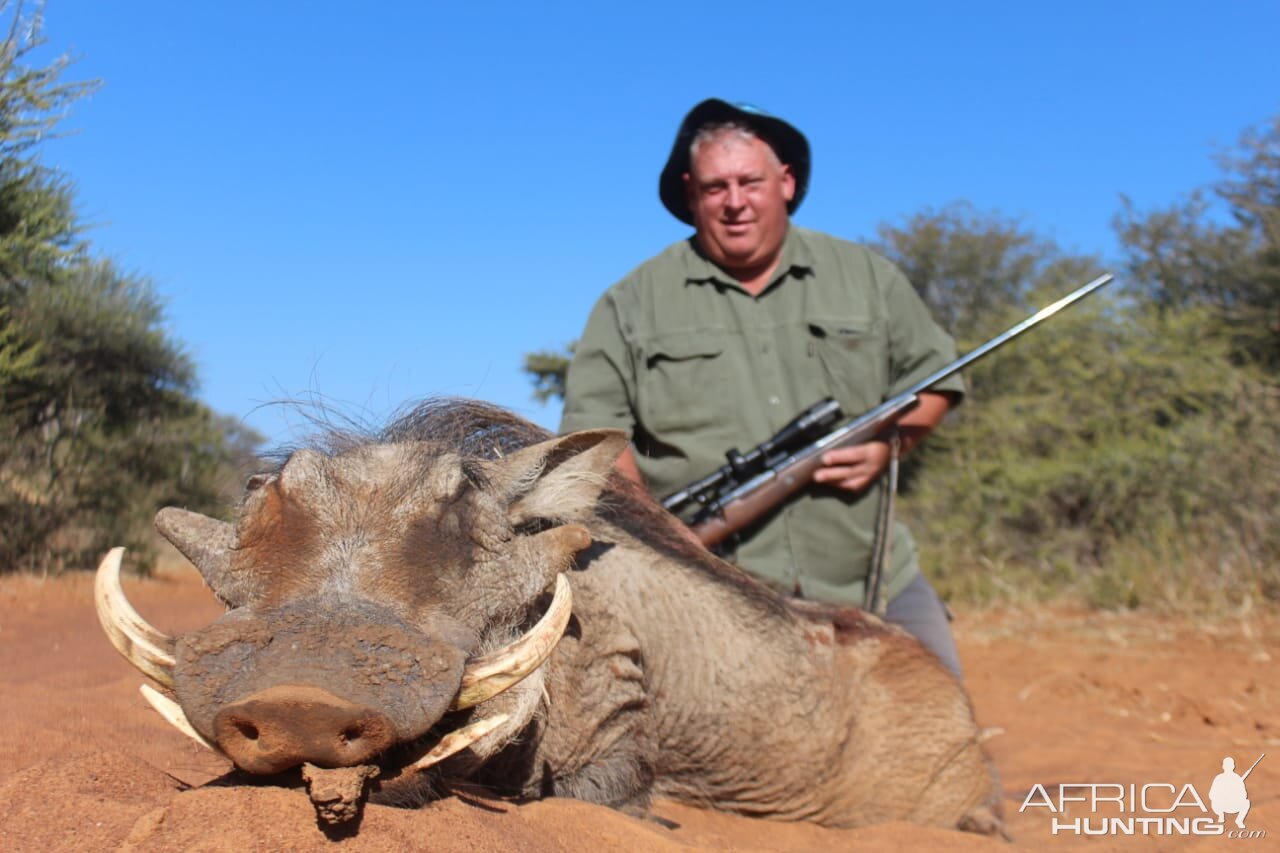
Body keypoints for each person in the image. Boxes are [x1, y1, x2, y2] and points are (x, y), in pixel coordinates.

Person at [559, 98, 965, 677]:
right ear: (691, 193)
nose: (734, 202)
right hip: (709, 591)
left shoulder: (866, 275)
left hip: (872, 575)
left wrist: (888, 446)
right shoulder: (632, 300)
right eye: (715, 186)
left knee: (945, 741)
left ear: (787, 183)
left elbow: (937, 382)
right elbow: (592, 438)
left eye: (750, 181)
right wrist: (659, 529)